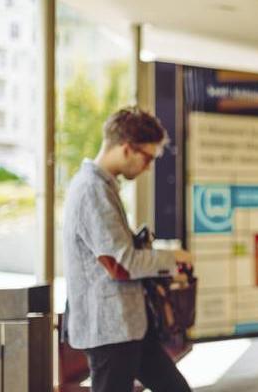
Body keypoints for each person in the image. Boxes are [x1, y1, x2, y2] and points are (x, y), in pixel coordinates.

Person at [62, 107, 192, 392]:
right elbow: (121, 263)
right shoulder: (92, 190)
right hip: (111, 330)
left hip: (127, 325)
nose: (148, 167)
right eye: (147, 158)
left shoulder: (102, 187)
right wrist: (172, 259)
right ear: (126, 149)